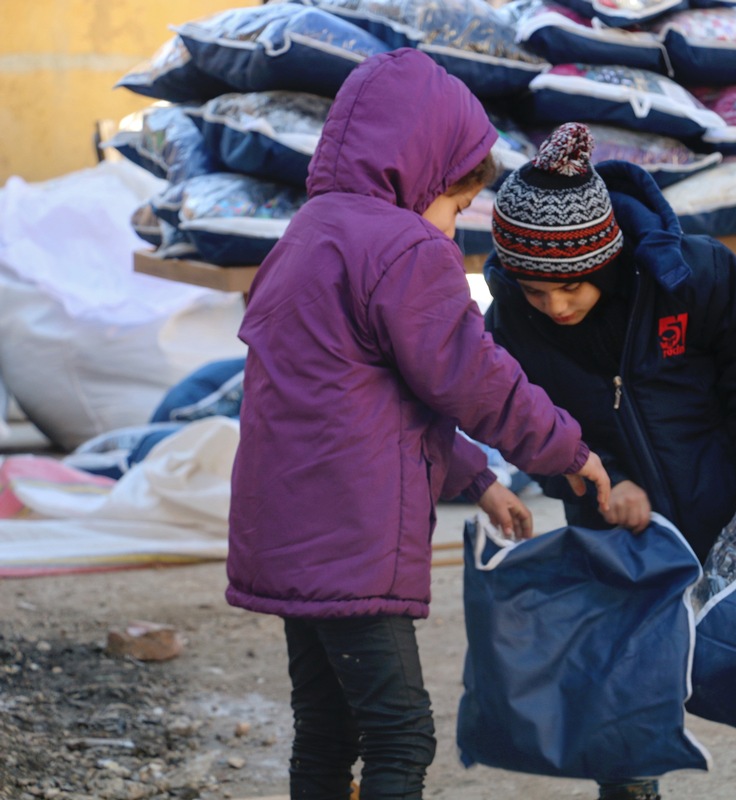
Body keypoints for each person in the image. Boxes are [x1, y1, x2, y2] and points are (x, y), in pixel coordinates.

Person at [225, 51, 611, 800]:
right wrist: (565, 448)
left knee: (326, 727)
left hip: (285, 528)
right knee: (402, 731)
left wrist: (477, 479)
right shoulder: (404, 250)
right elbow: (471, 376)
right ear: (422, 175)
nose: (454, 226)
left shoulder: (307, 234)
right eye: (458, 206)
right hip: (350, 534)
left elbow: (369, 397)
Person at [483, 123, 736, 800]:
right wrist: (592, 473)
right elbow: (524, 421)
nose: (554, 305)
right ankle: (631, 786)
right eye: (535, 291)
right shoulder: (510, 325)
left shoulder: (693, 276)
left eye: (572, 288)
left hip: (730, 507)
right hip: (617, 536)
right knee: (624, 675)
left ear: (605, 261)